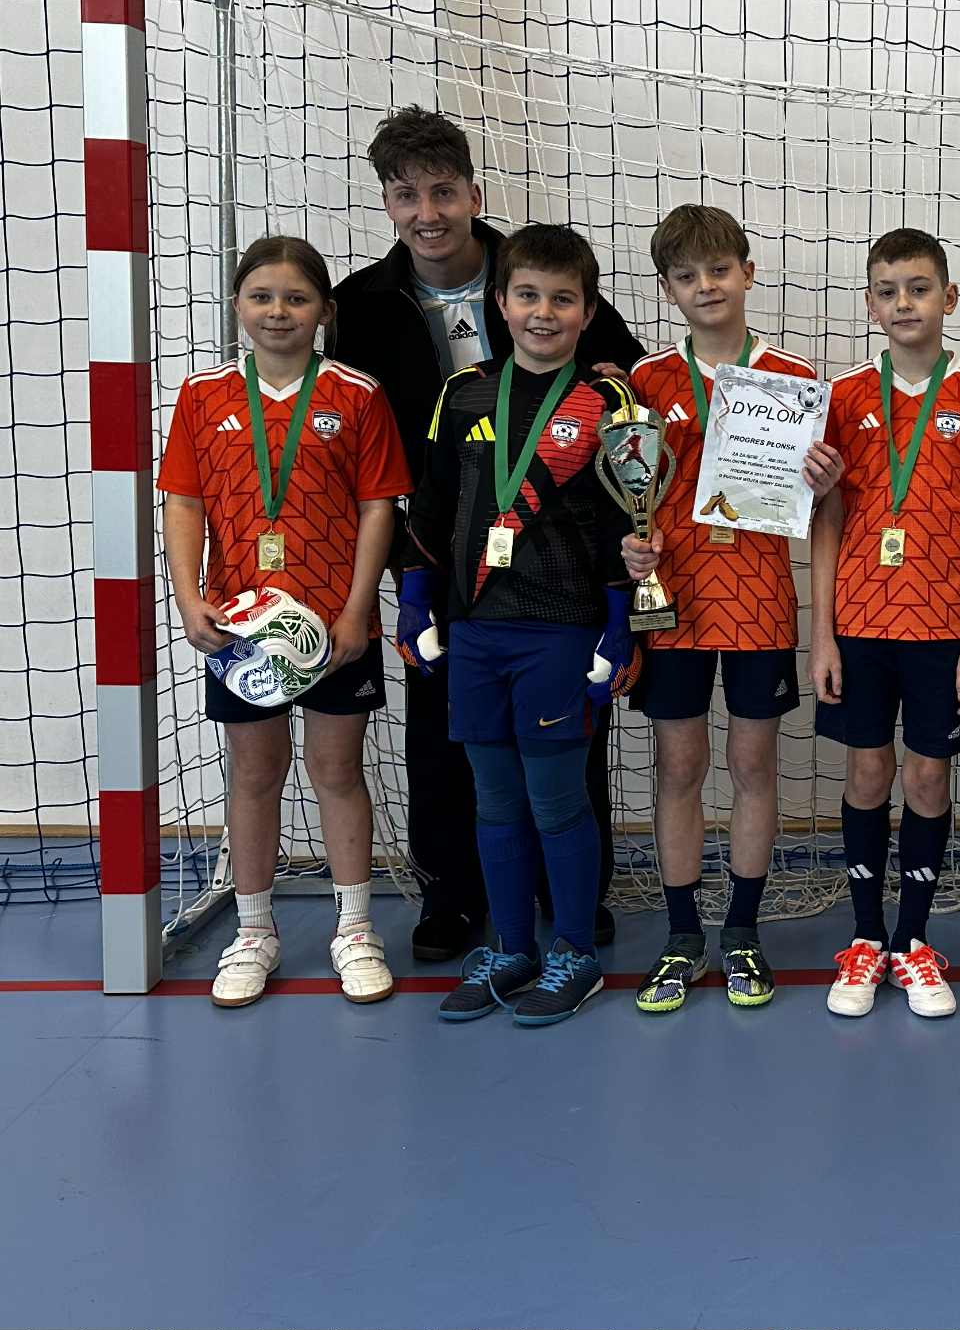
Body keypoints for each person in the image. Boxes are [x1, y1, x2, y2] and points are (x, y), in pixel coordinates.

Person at [331, 106, 645, 961]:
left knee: (568, 733)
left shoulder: (541, 269)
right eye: (406, 195)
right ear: (388, 204)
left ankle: (568, 894)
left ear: (474, 192)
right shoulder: (360, 304)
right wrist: (404, 568)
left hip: (559, 562)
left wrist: (620, 383)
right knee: (443, 730)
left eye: (442, 191)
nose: (427, 212)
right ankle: (451, 896)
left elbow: (626, 397)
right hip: (440, 546)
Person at [159, 237, 412, 1008]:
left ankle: (355, 929)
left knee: (336, 770)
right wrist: (188, 596)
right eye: (262, 296)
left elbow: (379, 507)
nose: (278, 311)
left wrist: (358, 609)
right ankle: (253, 931)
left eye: (296, 298)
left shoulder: (357, 394)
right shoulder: (203, 395)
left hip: (334, 627)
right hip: (238, 629)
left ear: (324, 311)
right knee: (255, 772)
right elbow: (184, 502)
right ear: (238, 305)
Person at [399, 224, 640, 1027]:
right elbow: (431, 508)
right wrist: (414, 601)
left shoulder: (608, 404)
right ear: (499, 302)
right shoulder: (462, 392)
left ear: (588, 311)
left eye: (562, 299)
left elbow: (625, 523)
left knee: (557, 798)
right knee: (494, 799)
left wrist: (619, 626)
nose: (543, 312)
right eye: (528, 295)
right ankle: (511, 947)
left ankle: (573, 951)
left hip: (560, 631)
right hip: (474, 631)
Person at [620, 203, 842, 1015]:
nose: (706, 286)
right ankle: (683, 934)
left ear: (748, 273)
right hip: (673, 602)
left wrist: (826, 480)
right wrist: (630, 547)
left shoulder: (794, 379)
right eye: (687, 275)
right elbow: (629, 492)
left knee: (753, 766)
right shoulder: (644, 381)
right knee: (678, 768)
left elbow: (823, 507)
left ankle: (743, 929)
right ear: (668, 288)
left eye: (719, 269)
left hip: (758, 604)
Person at [810, 228, 960, 1019]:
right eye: (889, 290)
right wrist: (822, 633)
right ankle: (865, 938)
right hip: (860, 622)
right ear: (870, 304)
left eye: (920, 288)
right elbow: (828, 519)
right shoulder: (841, 397)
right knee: (867, 774)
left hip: (944, 628)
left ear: (949, 298)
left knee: (928, 778)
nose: (904, 303)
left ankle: (914, 941)